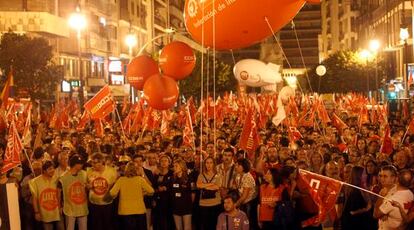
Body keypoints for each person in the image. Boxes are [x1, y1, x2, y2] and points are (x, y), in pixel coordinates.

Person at [107, 162, 154, 230]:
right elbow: (151, 191)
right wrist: (143, 193)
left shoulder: (121, 180)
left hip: (125, 211)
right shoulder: (140, 179)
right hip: (139, 210)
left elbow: (112, 193)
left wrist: (116, 196)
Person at [86, 153, 118, 230]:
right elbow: (86, 185)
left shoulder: (111, 171)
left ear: (101, 162)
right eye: (92, 162)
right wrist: (88, 186)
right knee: (96, 226)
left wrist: (110, 188)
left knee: (107, 225)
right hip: (94, 204)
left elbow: (116, 185)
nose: (92, 164)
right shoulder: (89, 171)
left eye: (95, 162)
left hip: (107, 204)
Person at [30, 161, 64, 230]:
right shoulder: (35, 182)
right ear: (44, 171)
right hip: (45, 213)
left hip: (57, 211)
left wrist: (61, 206)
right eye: (49, 169)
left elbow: (60, 195)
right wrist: (36, 212)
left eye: (53, 168)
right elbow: (34, 198)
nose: (52, 171)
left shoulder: (57, 179)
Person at [58, 154, 88, 230]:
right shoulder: (63, 177)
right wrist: (59, 207)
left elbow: (86, 187)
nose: (82, 165)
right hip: (70, 209)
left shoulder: (84, 174)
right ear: (75, 164)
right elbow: (58, 193)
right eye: (80, 163)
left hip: (82, 208)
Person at [197, 156, 222, 230]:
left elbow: (217, 187)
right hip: (203, 204)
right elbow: (198, 185)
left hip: (215, 203)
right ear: (205, 164)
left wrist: (204, 186)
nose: (209, 165)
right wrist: (211, 184)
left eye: (211, 163)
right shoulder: (201, 175)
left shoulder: (218, 175)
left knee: (214, 225)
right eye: (207, 163)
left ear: (214, 164)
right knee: (205, 226)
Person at [132, 153, 155, 230]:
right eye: (136, 161)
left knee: (147, 223)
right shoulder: (130, 173)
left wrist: (143, 175)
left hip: (146, 202)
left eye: (140, 161)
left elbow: (151, 186)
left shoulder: (148, 172)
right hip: (134, 203)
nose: (138, 163)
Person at [233, 158, 257, 228]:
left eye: (238, 165)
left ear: (243, 167)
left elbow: (244, 196)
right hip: (241, 202)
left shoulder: (248, 177)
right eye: (236, 165)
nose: (236, 167)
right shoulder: (238, 175)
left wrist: (234, 205)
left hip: (248, 203)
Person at [171, 158, 193, 230]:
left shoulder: (189, 178)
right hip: (176, 207)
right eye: (174, 166)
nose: (174, 168)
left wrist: (190, 204)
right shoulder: (172, 179)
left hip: (186, 207)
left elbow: (193, 193)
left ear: (182, 167)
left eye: (176, 166)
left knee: (187, 228)